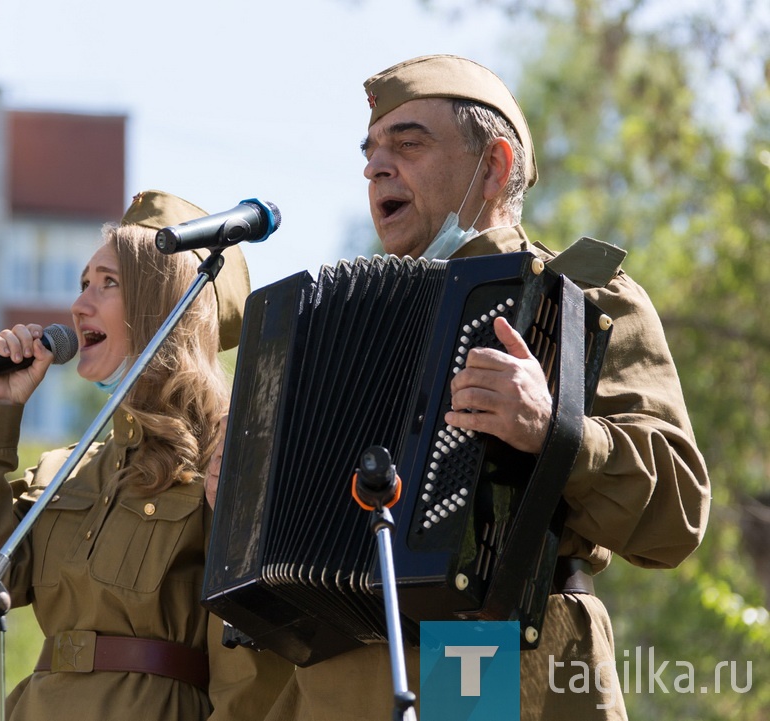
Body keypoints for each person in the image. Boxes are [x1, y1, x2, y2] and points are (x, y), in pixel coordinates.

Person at [209, 55, 710, 720]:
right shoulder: (321, 324)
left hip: (495, 651)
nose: (376, 167)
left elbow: (677, 517)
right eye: (371, 151)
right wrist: (243, 493)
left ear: (495, 166)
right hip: (340, 677)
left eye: (409, 144)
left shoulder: (584, 298)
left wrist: (556, 431)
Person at [0, 189, 267, 720]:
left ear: (163, 303)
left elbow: (248, 655)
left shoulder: (226, 456)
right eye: (84, 283)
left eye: (110, 283)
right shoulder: (68, 467)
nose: (80, 304)